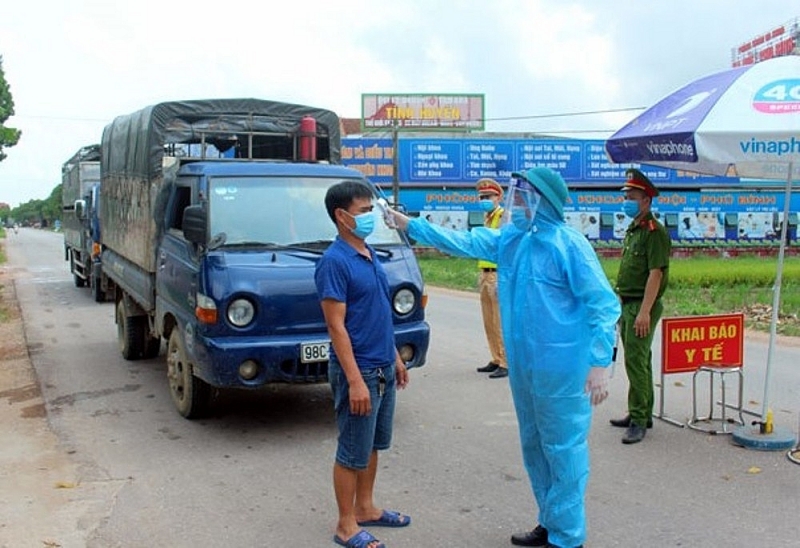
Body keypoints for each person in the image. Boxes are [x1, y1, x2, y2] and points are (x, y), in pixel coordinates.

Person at [387, 168, 620, 548]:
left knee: (563, 448)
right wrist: (409, 225)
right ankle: (550, 521)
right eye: (519, 195)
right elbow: (464, 241)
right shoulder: (514, 241)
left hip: (563, 367)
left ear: (544, 201)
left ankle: (569, 536)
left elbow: (604, 305)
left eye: (527, 197)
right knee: (535, 446)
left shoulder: (569, 245)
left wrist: (600, 363)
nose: (519, 203)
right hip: (526, 366)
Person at [314, 180, 411, 548]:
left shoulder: (367, 253)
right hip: (361, 372)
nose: (372, 217)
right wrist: (355, 380)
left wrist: (395, 358)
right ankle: (345, 524)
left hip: (383, 365)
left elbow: (379, 312)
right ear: (341, 216)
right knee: (352, 449)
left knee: (372, 445)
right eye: (364, 211)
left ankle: (366, 507)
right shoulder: (334, 262)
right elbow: (336, 327)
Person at [610, 168, 671, 445]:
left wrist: (645, 311)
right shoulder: (635, 229)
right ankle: (642, 412)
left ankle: (638, 420)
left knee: (635, 361)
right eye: (626, 196)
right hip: (629, 303)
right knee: (640, 360)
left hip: (641, 306)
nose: (627, 201)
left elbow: (655, 273)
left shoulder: (654, 232)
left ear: (646, 200)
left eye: (632, 196)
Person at [474, 178, 508, 379]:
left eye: (488, 196)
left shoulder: (503, 217)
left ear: (498, 197)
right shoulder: (487, 218)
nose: (485, 200)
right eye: (482, 197)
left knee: (499, 321)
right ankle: (495, 358)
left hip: (497, 274)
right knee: (489, 321)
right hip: (485, 273)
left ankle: (505, 361)